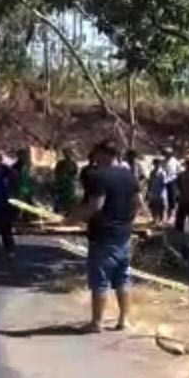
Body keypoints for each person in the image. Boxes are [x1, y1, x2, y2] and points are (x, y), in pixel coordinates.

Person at [68, 140, 139, 333]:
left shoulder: (97, 176)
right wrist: (127, 221)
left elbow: (95, 205)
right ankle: (124, 320)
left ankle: (96, 322)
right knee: (122, 277)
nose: (94, 158)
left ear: (103, 154)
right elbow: (136, 203)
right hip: (123, 233)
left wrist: (72, 219)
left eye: (96, 154)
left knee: (100, 279)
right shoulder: (129, 175)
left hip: (103, 234)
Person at [53, 148, 80, 213]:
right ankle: (59, 209)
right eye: (66, 153)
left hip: (69, 184)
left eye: (68, 153)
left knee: (70, 198)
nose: (67, 155)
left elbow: (75, 172)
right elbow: (56, 172)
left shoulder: (73, 163)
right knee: (60, 197)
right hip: (61, 183)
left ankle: (69, 211)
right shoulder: (60, 163)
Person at [162, 146, 181, 220]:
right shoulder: (163, 162)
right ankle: (165, 216)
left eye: (167, 153)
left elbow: (179, 171)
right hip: (164, 182)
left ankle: (171, 217)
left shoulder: (175, 161)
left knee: (172, 199)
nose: (166, 155)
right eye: (165, 153)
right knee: (164, 199)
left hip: (173, 181)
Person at [147, 158, 168, 224]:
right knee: (153, 206)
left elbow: (164, 183)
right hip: (153, 192)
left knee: (161, 207)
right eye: (155, 163)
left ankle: (161, 220)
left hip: (161, 192)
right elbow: (150, 182)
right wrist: (149, 191)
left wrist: (162, 192)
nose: (156, 165)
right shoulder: (152, 172)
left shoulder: (162, 172)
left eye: (158, 163)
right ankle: (154, 219)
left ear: (160, 164)